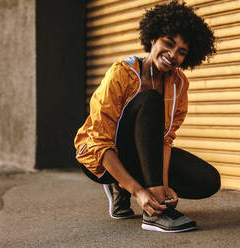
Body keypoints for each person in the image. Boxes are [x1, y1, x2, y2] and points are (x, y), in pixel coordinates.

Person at [74, 0, 220, 233]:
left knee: (208, 180)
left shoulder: (179, 84)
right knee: (150, 99)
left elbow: (164, 140)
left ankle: (152, 198)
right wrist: (139, 192)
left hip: (142, 153)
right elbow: (99, 142)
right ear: (153, 38)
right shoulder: (122, 73)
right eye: (168, 44)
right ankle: (135, 200)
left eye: (181, 52)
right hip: (100, 158)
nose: (172, 55)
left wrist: (161, 187)